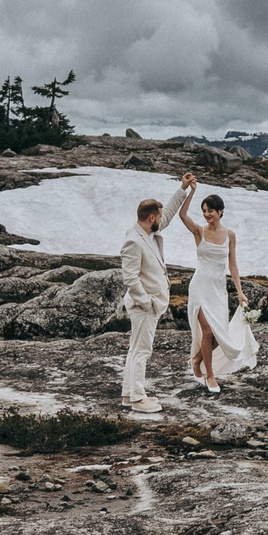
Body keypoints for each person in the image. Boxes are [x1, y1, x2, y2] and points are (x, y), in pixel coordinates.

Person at [177, 175, 259, 392]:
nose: (206, 214)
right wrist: (190, 191)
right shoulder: (199, 231)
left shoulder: (230, 235)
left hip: (218, 289)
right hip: (200, 286)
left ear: (220, 211)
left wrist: (240, 292)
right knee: (208, 331)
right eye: (204, 210)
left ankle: (196, 360)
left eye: (210, 210)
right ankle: (209, 375)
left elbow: (232, 266)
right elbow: (182, 215)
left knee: (219, 334)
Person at [117, 176, 190, 414]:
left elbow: (167, 215)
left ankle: (129, 395)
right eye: (158, 217)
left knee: (135, 349)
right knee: (141, 351)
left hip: (147, 304)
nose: (161, 219)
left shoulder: (146, 231)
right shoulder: (133, 241)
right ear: (151, 218)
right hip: (144, 306)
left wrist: (182, 189)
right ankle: (138, 398)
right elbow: (130, 279)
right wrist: (147, 303)